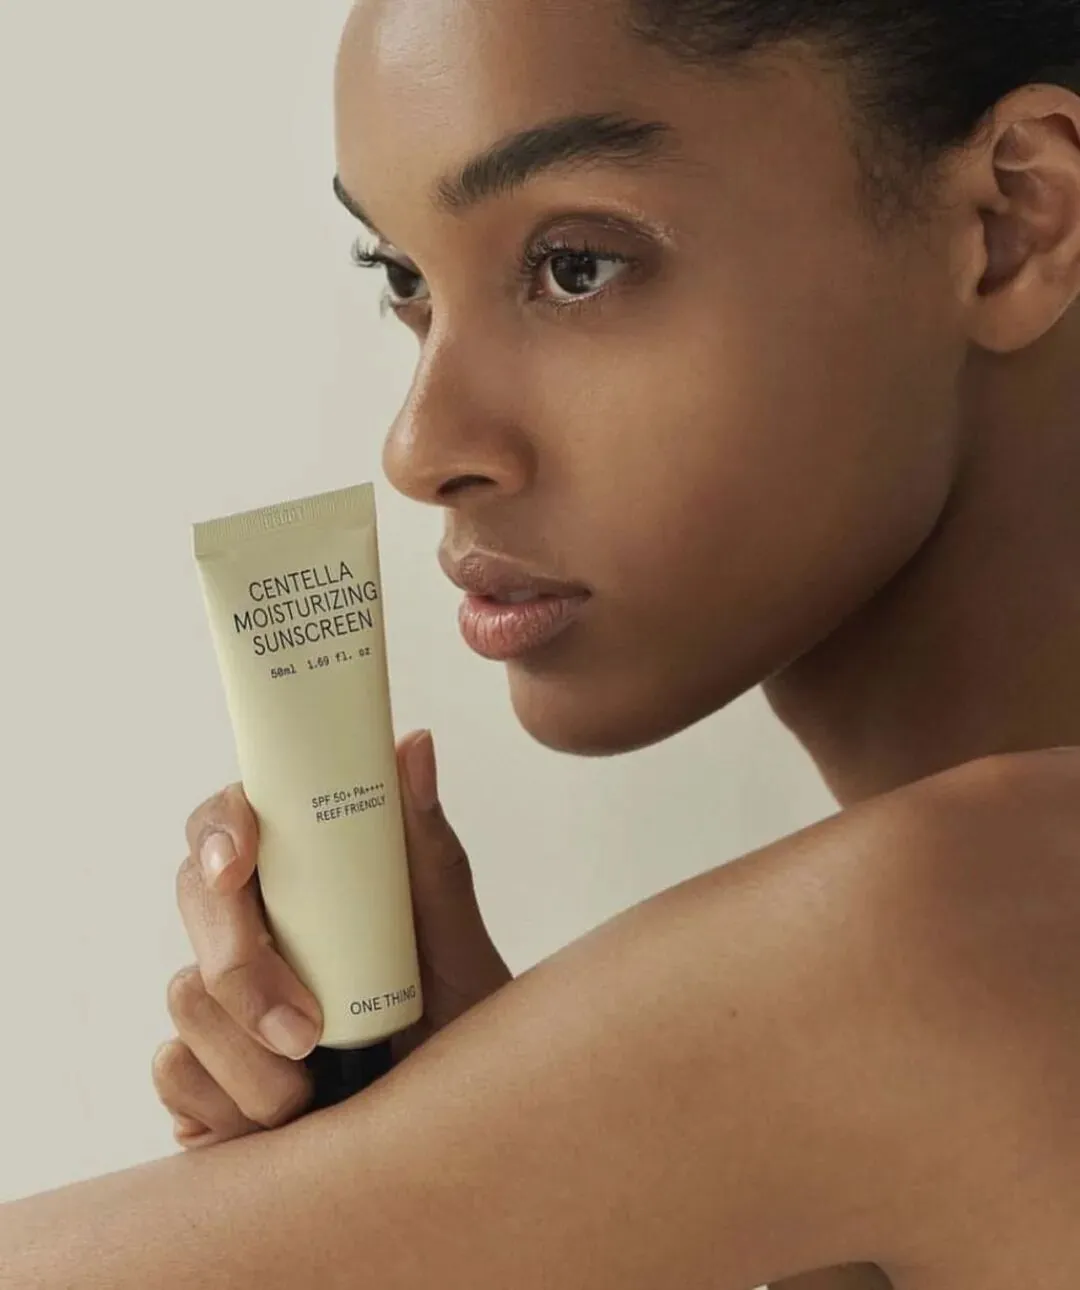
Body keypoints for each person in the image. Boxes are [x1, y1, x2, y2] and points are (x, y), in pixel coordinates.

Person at [4, 0, 1080, 1285]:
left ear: (1015, 222)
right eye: (403, 279)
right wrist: (505, 1135)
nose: (419, 448)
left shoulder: (963, 927)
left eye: (577, 267)